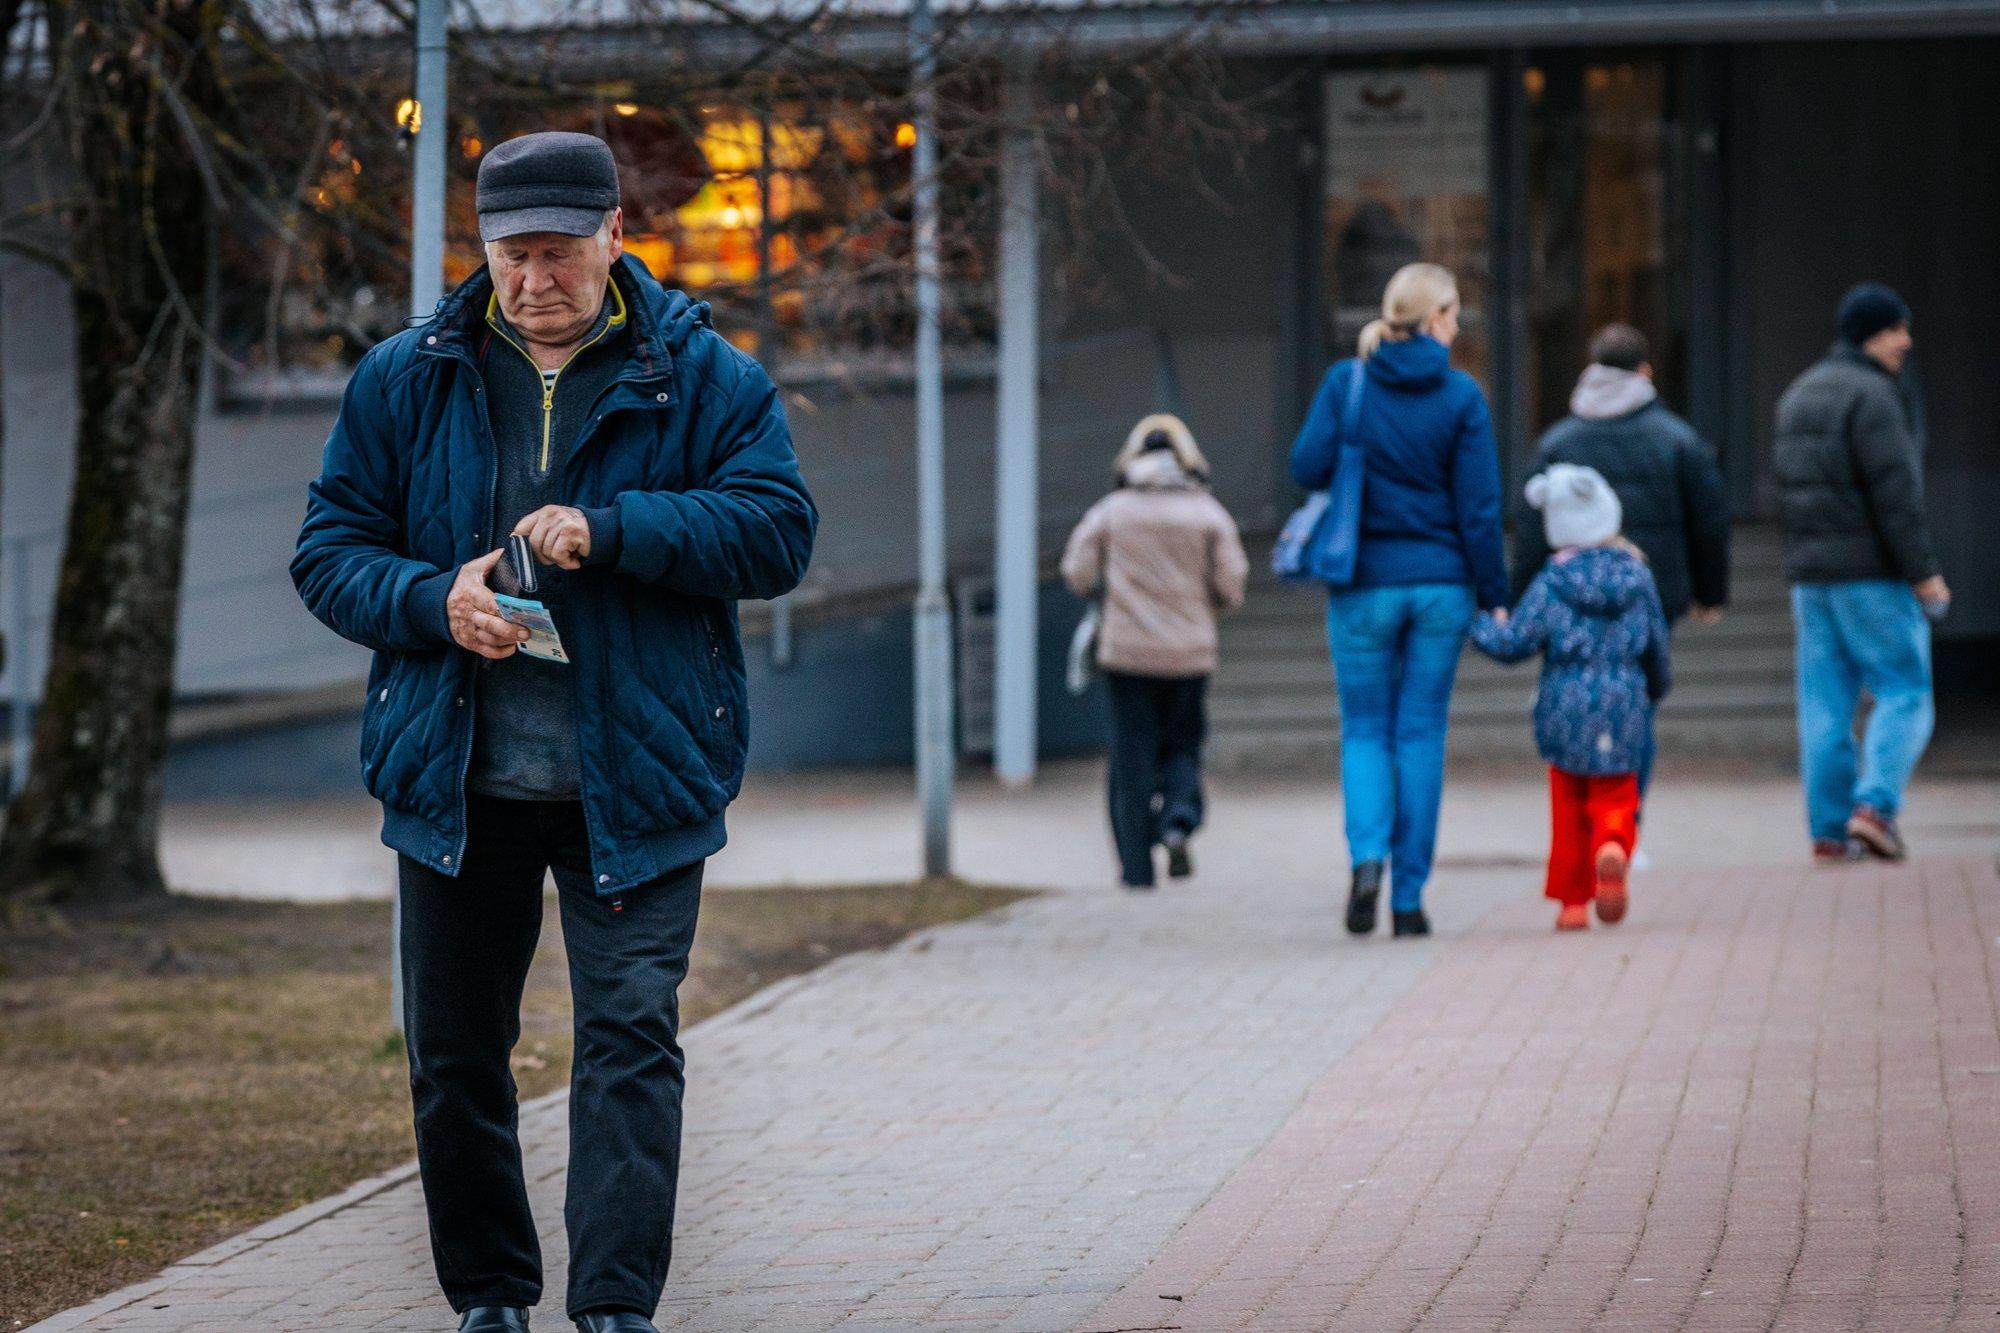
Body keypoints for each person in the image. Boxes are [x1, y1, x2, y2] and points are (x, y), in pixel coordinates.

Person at [292, 131, 817, 1333]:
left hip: (635, 776)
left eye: (560, 253)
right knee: (456, 1056)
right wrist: (436, 603)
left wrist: (614, 530)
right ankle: (489, 1297)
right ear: (480, 252)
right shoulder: (403, 377)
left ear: (616, 236)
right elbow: (329, 555)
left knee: (629, 1038)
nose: (535, 280)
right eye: (512, 255)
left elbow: (776, 532)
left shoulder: (702, 377)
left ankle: (616, 1307)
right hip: (456, 777)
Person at [1288, 262, 1508, 939]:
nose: (1458, 326)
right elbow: (1479, 509)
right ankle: (1409, 900)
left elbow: (1304, 465)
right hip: (1441, 586)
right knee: (1419, 734)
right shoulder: (1462, 397)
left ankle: (1367, 863)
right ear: (1434, 319)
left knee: (1363, 729)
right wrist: (1495, 592)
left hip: (1362, 582)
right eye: (1453, 314)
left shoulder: (1346, 382)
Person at [1512, 323, 1728, 800]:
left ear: (1593, 369)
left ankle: (1582, 816)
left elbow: (1529, 528)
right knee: (1637, 701)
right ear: (1645, 371)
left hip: (1565, 590)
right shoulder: (1677, 438)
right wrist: (1710, 593)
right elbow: (1709, 521)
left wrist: (1517, 594)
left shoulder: (1557, 442)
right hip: (1652, 587)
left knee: (1570, 694)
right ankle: (1624, 823)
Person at [1773, 281, 1948, 864]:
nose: (1906, 341)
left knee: (1824, 704)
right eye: (1897, 328)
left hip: (1811, 580)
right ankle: (1875, 808)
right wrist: (1923, 573)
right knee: (1905, 690)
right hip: (1871, 576)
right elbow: (1898, 496)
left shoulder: (1799, 393)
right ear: (1872, 331)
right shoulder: (1875, 397)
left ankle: (1827, 831)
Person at [1472, 465, 1672, 931]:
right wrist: (1654, 692)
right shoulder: (1637, 576)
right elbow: (1657, 646)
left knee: (1568, 801)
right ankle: (1614, 845)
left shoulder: (1552, 582)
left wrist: (1477, 621)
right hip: (1624, 698)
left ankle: (1573, 905)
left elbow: (1514, 642)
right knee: (1616, 791)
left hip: (1564, 701)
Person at [1062, 414, 1248, 890]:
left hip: (1126, 655)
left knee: (1132, 758)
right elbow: (1232, 582)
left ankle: (1137, 869)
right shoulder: (1208, 513)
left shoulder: (1112, 511)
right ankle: (1178, 821)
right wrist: (1207, 608)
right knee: (1184, 744)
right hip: (1189, 654)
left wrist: (1109, 594)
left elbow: (1076, 570)